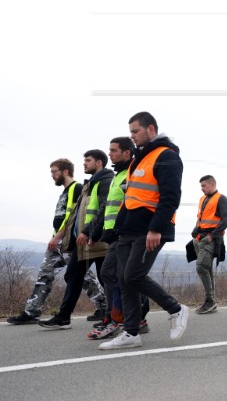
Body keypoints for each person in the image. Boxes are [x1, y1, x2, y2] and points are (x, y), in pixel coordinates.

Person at [97, 111, 189, 349]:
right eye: (130, 132)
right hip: (128, 228)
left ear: (151, 129)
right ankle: (131, 332)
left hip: (150, 229)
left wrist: (156, 229)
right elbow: (134, 195)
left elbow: (171, 196)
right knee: (125, 281)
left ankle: (176, 309)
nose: (133, 136)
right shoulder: (140, 158)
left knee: (134, 275)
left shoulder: (167, 156)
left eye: (135, 131)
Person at [6, 159, 105, 325]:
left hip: (68, 242)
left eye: (54, 172)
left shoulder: (77, 188)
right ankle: (32, 312)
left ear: (65, 171)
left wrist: (59, 237)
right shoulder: (64, 192)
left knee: (81, 276)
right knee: (45, 273)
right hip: (58, 240)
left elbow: (74, 216)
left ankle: (102, 305)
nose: (52, 175)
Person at [39, 150, 113, 329]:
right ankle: (64, 318)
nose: (84, 164)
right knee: (73, 275)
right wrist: (65, 237)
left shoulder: (105, 182)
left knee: (108, 279)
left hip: (98, 241)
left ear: (99, 162)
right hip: (84, 243)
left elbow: (103, 209)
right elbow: (75, 215)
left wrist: (89, 232)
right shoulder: (90, 185)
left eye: (88, 160)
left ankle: (120, 316)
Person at [88, 137, 134, 339]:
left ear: (126, 152)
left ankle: (117, 318)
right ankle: (129, 317)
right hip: (113, 234)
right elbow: (108, 207)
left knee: (117, 275)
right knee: (118, 275)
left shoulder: (128, 174)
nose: (110, 154)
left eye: (114, 150)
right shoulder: (118, 175)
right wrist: (97, 232)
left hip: (124, 233)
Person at [191, 175, 227, 314]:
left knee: (201, 266)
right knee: (206, 269)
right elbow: (200, 217)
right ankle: (211, 302)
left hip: (211, 239)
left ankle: (210, 301)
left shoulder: (222, 199)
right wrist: (196, 229)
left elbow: (226, 221)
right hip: (199, 238)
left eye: (204, 186)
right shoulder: (203, 199)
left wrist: (211, 236)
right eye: (201, 186)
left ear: (212, 184)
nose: (202, 189)